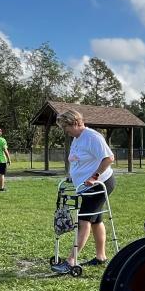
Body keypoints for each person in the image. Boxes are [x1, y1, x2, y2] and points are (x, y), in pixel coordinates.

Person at [53, 109, 115, 272]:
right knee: (96, 220)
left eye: (65, 127)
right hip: (85, 186)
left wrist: (94, 176)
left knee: (84, 220)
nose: (64, 131)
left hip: (99, 184)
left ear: (74, 123)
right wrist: (72, 177)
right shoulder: (77, 138)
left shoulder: (92, 137)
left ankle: (71, 260)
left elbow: (109, 158)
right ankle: (101, 257)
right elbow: (77, 162)